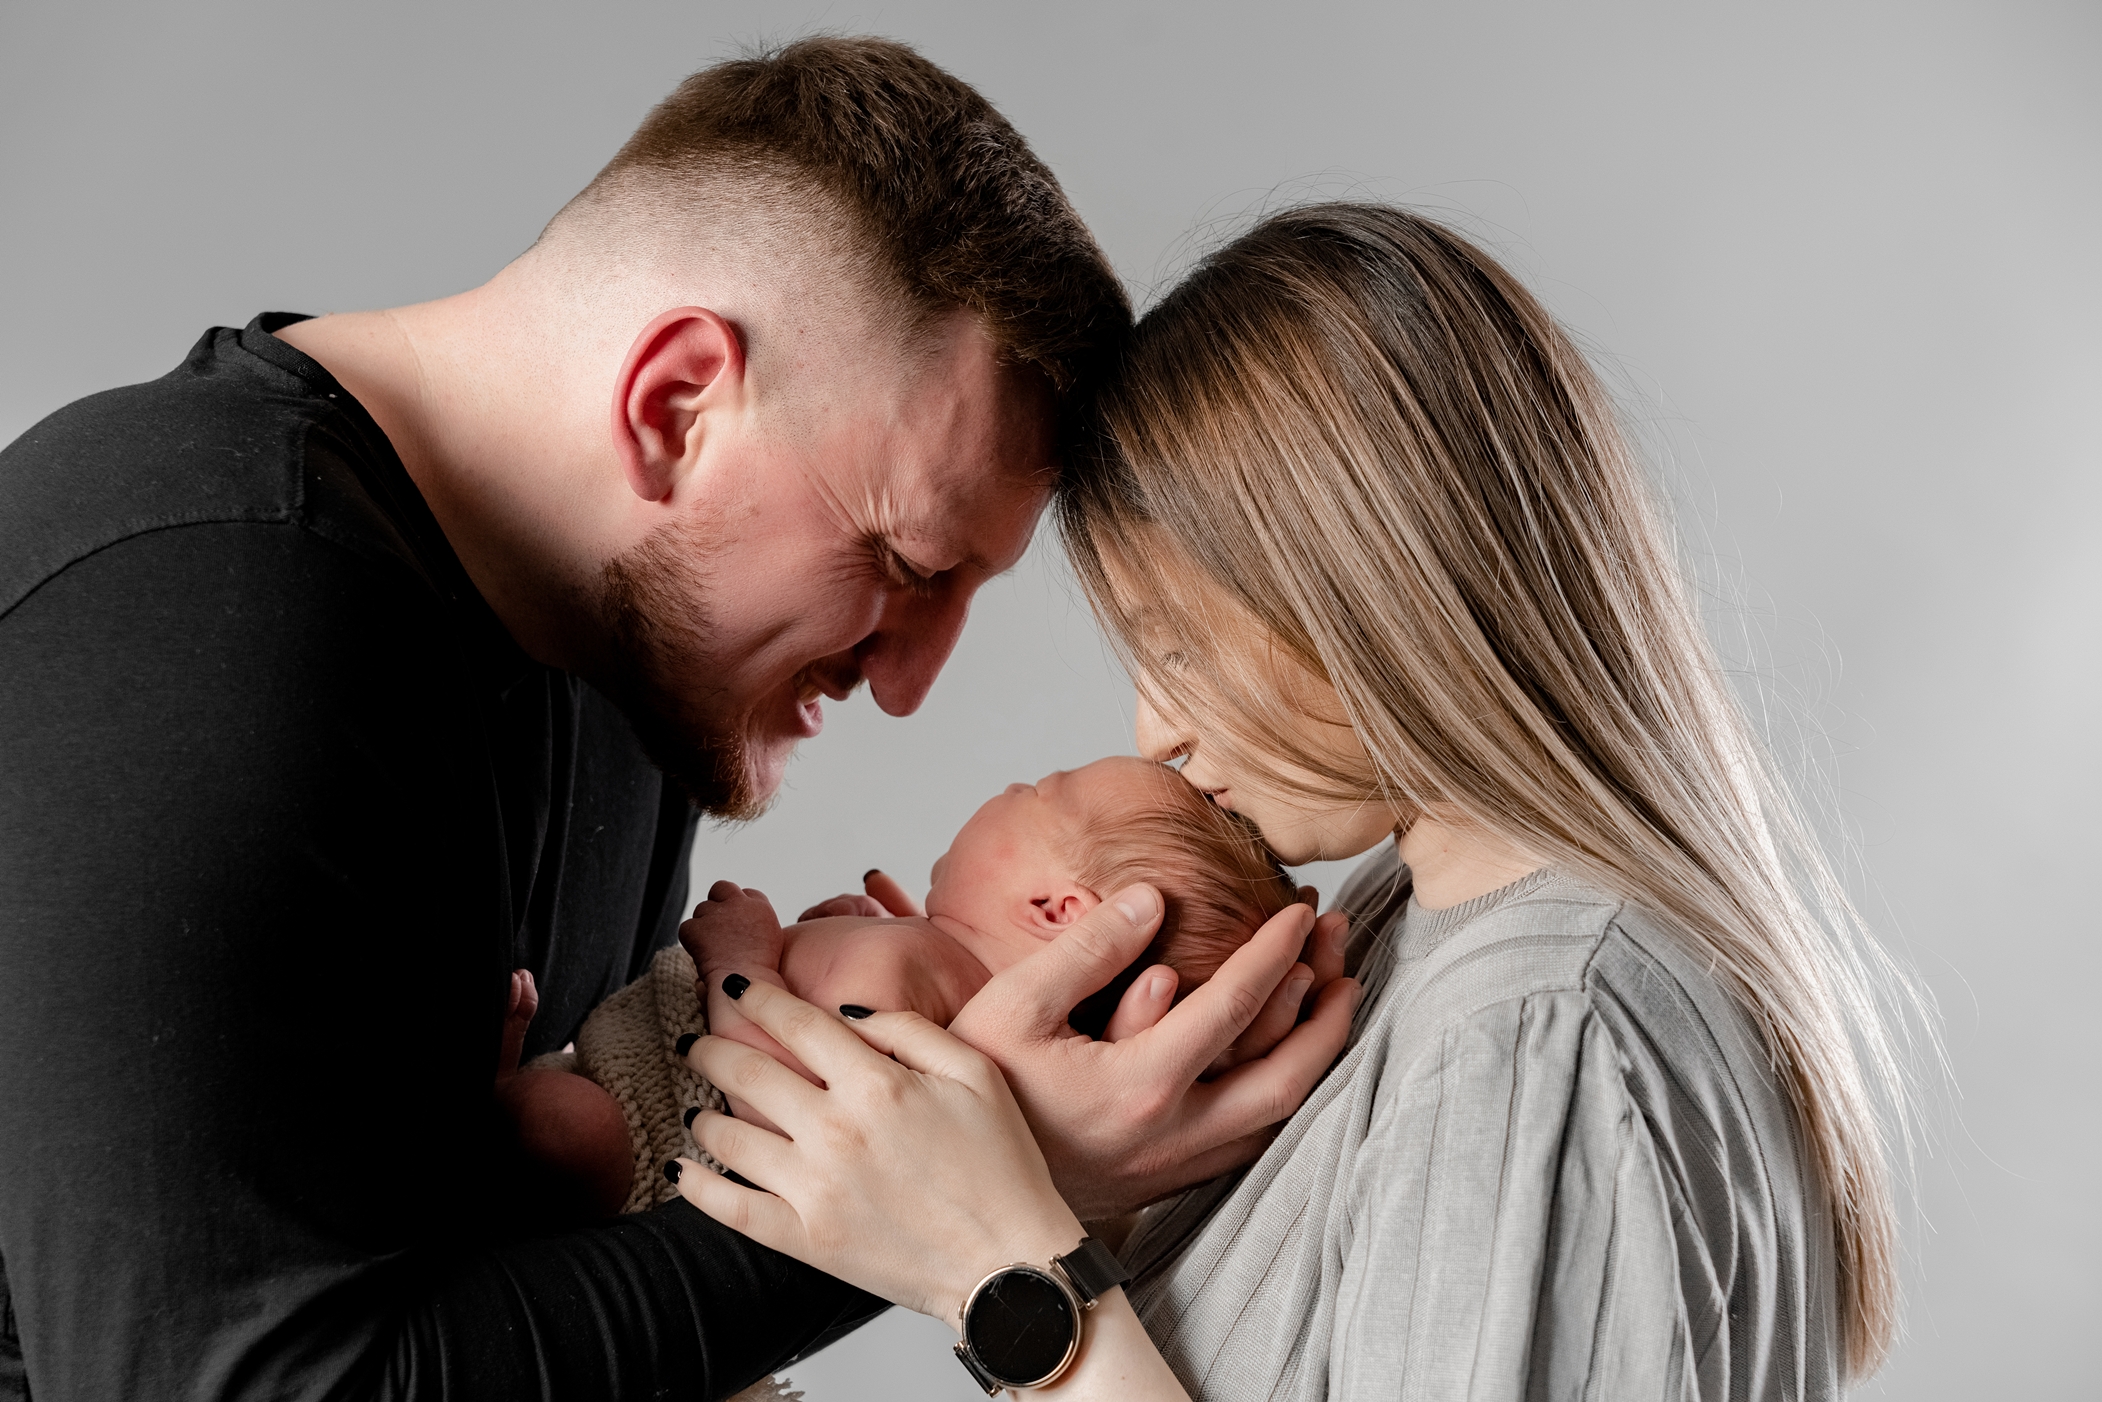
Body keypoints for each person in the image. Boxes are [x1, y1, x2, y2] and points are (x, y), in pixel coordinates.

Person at [0, 40, 1350, 1401]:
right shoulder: (202, 601)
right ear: (677, 403)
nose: (907, 684)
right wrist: (962, 1193)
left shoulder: (618, 669)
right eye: (902, 563)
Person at [664, 203, 1917, 1400]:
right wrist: (1055, 1170)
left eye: (1178, 645)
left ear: (1368, 589)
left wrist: (1002, 1272)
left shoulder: (1538, 1029)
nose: (1157, 730)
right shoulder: (1405, 928)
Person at [503, 756, 1298, 1217]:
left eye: (1037, 790)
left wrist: (739, 966)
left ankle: (493, 1109)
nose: (1011, 786)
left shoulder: (909, 971)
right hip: (619, 1069)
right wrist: (839, 939)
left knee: (558, 1125)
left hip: (648, 1138)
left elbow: (780, 1108)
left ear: (1057, 910)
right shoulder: (931, 967)